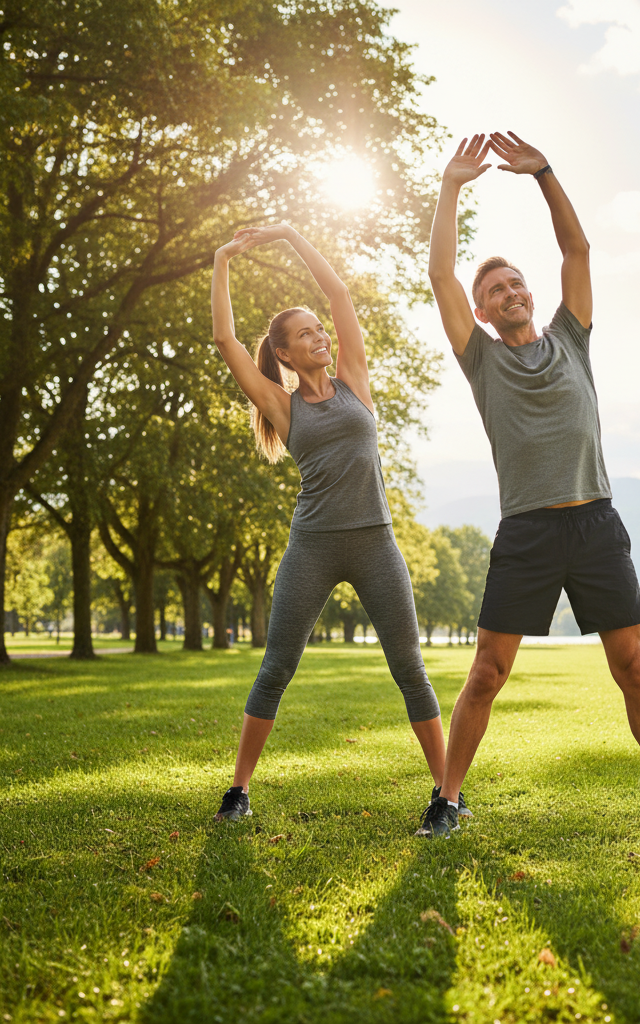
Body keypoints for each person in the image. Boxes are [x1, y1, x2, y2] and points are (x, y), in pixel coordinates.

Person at [416, 132, 640, 838]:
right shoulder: (481, 359)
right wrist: (451, 186)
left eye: (515, 284)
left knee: (633, 666)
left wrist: (543, 172)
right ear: (482, 312)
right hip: (529, 531)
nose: (508, 293)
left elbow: (577, 251)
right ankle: (447, 801)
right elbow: (440, 275)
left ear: (530, 294)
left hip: (596, 524)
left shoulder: (571, 337)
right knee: (487, 673)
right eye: (494, 291)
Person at [209, 221, 469, 823]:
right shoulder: (282, 405)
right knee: (277, 667)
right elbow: (225, 339)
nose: (319, 336)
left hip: (376, 542)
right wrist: (223, 259)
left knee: (409, 668)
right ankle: (239, 791)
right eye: (303, 335)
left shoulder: (355, 383)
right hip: (314, 546)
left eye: (318, 330)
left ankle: (446, 796)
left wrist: (290, 234)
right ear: (283, 354)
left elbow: (340, 297)